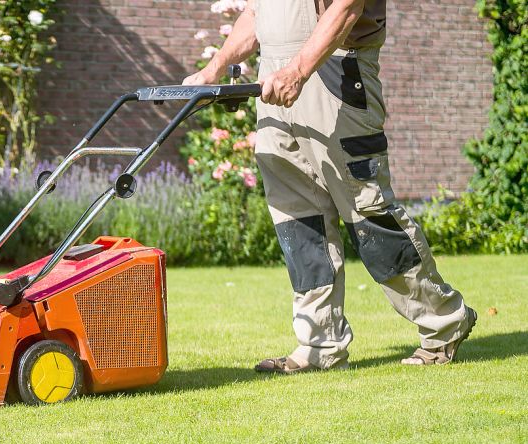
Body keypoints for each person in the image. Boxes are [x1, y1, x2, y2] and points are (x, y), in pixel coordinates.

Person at [183, 0, 476, 373]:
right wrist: (213, 70)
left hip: (334, 73)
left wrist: (299, 70)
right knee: (299, 222)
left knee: (367, 212)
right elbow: (257, 13)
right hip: (272, 81)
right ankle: (320, 342)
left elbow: (349, 5)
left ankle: (445, 321)